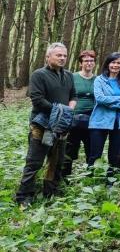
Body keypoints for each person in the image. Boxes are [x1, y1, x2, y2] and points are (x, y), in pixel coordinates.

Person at [15, 43, 76, 205]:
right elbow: (37, 100)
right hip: (43, 125)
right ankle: (24, 196)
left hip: (61, 127)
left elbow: (73, 96)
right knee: (35, 161)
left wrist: (68, 110)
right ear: (48, 57)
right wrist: (61, 111)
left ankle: (51, 191)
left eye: (64, 55)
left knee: (57, 161)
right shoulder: (38, 75)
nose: (62, 58)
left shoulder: (69, 75)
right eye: (58, 55)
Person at [88, 53, 120, 175]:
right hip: (100, 121)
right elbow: (99, 98)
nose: (115, 65)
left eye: (118, 63)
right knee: (95, 154)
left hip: (119, 123)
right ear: (108, 64)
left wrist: (110, 101)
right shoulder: (99, 80)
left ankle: (110, 181)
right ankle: (89, 179)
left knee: (114, 155)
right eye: (113, 62)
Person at [63, 50, 96, 178]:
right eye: (86, 61)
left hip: (92, 119)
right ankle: (65, 176)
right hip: (74, 117)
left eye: (91, 61)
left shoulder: (97, 79)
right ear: (80, 63)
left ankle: (90, 177)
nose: (89, 63)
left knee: (91, 148)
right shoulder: (72, 77)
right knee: (70, 148)